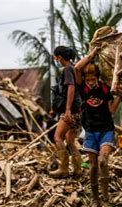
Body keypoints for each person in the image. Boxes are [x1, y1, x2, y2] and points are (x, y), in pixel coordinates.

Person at [74, 50, 122, 207]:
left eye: (93, 79)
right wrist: (93, 52)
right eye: (88, 79)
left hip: (106, 129)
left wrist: (120, 98)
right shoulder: (83, 89)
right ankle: (95, 199)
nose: (90, 82)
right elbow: (76, 68)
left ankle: (106, 197)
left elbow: (110, 110)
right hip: (90, 130)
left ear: (98, 78)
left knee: (103, 161)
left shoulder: (104, 88)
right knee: (93, 166)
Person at [50, 46, 83, 178]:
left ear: (60, 58)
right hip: (78, 109)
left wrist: (67, 109)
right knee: (70, 140)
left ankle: (63, 168)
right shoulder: (74, 68)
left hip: (72, 110)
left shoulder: (67, 69)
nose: (55, 59)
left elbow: (71, 87)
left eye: (56, 56)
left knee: (57, 137)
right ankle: (78, 169)